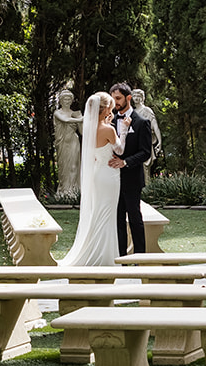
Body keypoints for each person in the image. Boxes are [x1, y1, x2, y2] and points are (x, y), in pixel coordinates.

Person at [57, 91, 123, 266]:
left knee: (99, 212)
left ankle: (97, 251)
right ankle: (105, 257)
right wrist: (122, 130)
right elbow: (120, 150)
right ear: (106, 108)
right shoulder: (109, 129)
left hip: (96, 173)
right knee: (107, 214)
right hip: (109, 174)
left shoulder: (89, 128)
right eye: (111, 106)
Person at [108, 82, 153, 256]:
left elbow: (145, 153)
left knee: (135, 219)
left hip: (132, 179)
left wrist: (125, 162)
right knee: (117, 220)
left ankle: (140, 257)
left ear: (128, 98)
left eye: (118, 99)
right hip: (112, 180)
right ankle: (121, 258)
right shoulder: (109, 121)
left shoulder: (142, 122)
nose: (115, 103)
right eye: (113, 99)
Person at [51, 88, 83, 198]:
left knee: (74, 166)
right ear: (60, 100)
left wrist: (80, 118)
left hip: (74, 141)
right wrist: (82, 119)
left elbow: (82, 131)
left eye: (69, 99)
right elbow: (65, 120)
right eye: (65, 98)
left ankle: (73, 191)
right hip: (63, 143)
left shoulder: (75, 114)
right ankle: (64, 191)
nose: (67, 101)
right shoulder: (58, 113)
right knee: (64, 168)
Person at [130, 88, 161, 182]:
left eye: (138, 96)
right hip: (134, 144)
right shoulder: (132, 112)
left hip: (145, 143)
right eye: (134, 96)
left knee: (145, 167)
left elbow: (155, 125)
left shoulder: (147, 110)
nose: (136, 98)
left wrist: (160, 141)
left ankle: (146, 192)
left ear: (142, 98)